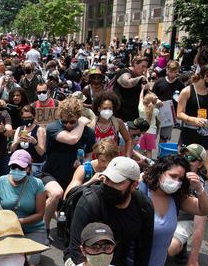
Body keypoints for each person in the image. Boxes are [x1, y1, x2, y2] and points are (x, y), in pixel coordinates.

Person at [66, 157, 153, 266]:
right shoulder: (90, 202)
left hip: (117, 259)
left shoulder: (143, 206)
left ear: (134, 185)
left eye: (116, 182)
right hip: (83, 258)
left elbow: (144, 249)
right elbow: (75, 249)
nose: (108, 186)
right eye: (106, 180)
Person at [135, 155, 208, 266]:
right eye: (173, 176)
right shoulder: (140, 191)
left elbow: (206, 209)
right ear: (160, 172)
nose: (176, 182)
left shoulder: (177, 199)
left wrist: (199, 188)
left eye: (180, 179)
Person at [41, 98, 96, 237]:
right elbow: (72, 139)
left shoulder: (88, 133)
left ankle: (62, 221)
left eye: (72, 121)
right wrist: (81, 124)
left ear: (78, 117)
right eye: (64, 121)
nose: (68, 124)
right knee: (56, 194)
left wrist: (83, 163)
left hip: (73, 177)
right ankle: (44, 228)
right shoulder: (53, 127)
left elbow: (89, 154)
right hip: (51, 173)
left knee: (66, 210)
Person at [0, 150, 47, 264]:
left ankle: (37, 244)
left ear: (29, 168)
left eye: (21, 168)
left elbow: (40, 215)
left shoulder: (37, 183)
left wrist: (18, 221)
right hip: (9, 229)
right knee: (0, 261)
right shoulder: (2, 181)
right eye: (13, 167)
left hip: (33, 229)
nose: (16, 171)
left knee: (30, 264)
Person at [167, 144, 208, 266]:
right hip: (167, 213)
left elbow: (200, 224)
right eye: (183, 155)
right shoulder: (171, 171)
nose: (185, 159)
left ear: (200, 164)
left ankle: (180, 245)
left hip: (184, 219)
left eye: (191, 157)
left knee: (170, 248)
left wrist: (194, 258)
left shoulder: (199, 187)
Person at [177, 64, 208, 170]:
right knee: (185, 166)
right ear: (206, 77)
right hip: (189, 132)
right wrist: (193, 119)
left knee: (205, 168)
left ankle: (202, 185)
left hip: (206, 133)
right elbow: (179, 113)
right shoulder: (187, 91)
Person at [90, 90, 133, 157]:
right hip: (95, 162)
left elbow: (128, 140)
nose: (107, 111)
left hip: (113, 162)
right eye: (105, 108)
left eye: (110, 108)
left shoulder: (118, 123)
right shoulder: (91, 124)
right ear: (99, 109)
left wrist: (127, 156)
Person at [151, 61, 184, 143]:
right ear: (167, 70)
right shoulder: (159, 82)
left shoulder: (180, 85)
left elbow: (183, 100)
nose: (172, 74)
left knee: (164, 137)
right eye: (171, 71)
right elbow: (151, 95)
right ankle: (148, 154)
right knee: (152, 135)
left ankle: (161, 155)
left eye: (175, 72)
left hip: (170, 114)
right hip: (157, 112)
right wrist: (156, 99)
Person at [10, 105, 46, 177]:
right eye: (24, 118)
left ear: (34, 117)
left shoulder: (39, 130)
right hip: (20, 163)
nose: (27, 120)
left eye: (29, 117)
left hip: (35, 164)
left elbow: (42, 152)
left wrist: (34, 142)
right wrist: (17, 142)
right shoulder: (19, 129)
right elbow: (12, 149)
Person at [113, 57, 149, 122]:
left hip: (135, 115)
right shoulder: (123, 72)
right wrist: (140, 78)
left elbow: (146, 90)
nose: (144, 69)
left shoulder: (140, 76)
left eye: (145, 67)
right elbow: (127, 82)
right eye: (142, 66)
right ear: (135, 63)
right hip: (120, 115)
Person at [137, 90, 159, 160]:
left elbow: (140, 98)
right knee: (149, 151)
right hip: (151, 133)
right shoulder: (156, 111)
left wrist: (142, 89)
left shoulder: (141, 109)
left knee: (139, 151)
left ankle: (140, 166)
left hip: (142, 132)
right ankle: (148, 167)